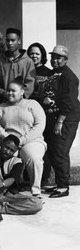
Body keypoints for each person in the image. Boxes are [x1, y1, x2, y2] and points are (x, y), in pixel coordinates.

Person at [0, 77, 46, 197]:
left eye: (13, 90)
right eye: (8, 90)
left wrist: (22, 140)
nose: (10, 93)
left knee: (33, 157)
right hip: (7, 141)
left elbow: (39, 125)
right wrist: (9, 140)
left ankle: (36, 191)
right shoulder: (1, 108)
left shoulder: (32, 104)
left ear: (22, 92)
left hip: (31, 140)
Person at [42, 45, 80, 198]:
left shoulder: (68, 77)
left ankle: (63, 187)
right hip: (54, 116)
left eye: (58, 58)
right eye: (53, 57)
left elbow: (69, 102)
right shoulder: (53, 73)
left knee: (60, 151)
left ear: (65, 59)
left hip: (66, 119)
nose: (55, 60)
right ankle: (59, 184)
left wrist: (60, 122)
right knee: (53, 151)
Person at [0, 135, 43, 222]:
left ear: (15, 152)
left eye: (12, 150)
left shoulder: (17, 162)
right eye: (6, 147)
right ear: (1, 144)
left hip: (8, 194)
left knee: (37, 204)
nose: (7, 151)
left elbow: (13, 178)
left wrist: (2, 184)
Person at [0, 28, 35, 99]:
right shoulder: (0, 61)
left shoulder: (28, 61)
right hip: (4, 100)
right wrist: (4, 94)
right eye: (7, 40)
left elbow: (30, 83)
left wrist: (19, 96)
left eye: (13, 40)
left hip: (21, 101)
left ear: (19, 41)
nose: (10, 43)